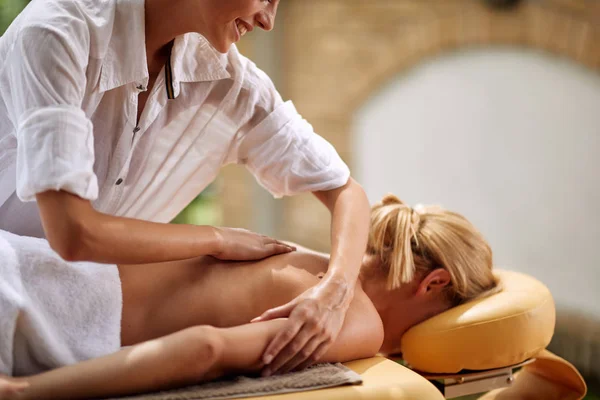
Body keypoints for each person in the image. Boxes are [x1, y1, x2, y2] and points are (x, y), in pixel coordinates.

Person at [0, 0, 372, 371]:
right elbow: (74, 235)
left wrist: (334, 290)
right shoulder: (58, 31)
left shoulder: (230, 82)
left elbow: (345, 191)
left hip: (92, 310)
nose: (268, 20)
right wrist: (217, 238)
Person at [0, 195, 499, 400]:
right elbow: (206, 349)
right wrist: (24, 393)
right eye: (441, 315)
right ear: (433, 283)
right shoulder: (355, 320)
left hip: (22, 264)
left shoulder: (298, 256)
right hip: (35, 314)